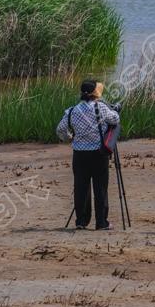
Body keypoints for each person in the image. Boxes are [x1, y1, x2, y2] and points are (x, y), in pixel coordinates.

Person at [56, 80, 120, 231]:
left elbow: (60, 130)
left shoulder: (72, 111)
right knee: (100, 189)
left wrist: (69, 137)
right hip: (99, 154)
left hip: (79, 155)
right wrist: (116, 110)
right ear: (94, 94)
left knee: (81, 188)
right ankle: (101, 223)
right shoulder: (101, 108)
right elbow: (115, 119)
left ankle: (81, 221)